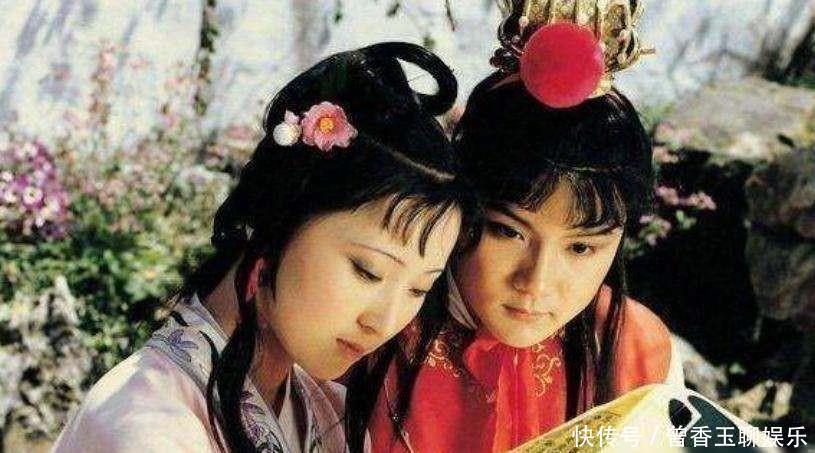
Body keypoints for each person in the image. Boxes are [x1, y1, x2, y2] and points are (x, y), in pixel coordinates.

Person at [53, 41, 477, 453]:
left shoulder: (328, 416)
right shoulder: (147, 424)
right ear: (278, 220)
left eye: (418, 289)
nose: (384, 322)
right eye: (368, 271)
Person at [366, 2, 689, 452]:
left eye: (581, 248)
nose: (536, 283)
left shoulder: (638, 351)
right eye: (508, 231)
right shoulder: (372, 324)